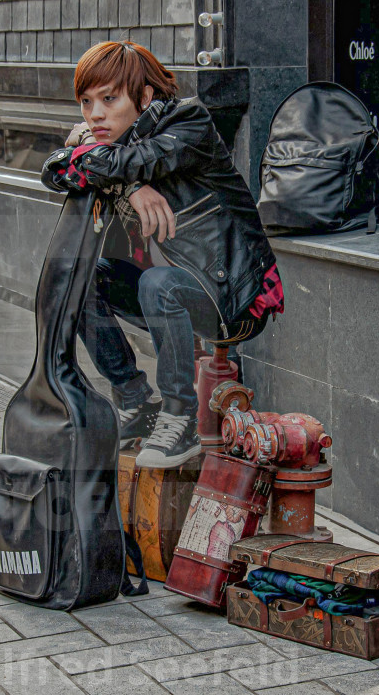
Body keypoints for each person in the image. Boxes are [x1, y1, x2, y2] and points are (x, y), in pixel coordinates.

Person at [41, 41, 283, 469]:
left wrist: (113, 170)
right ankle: (135, 401)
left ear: (145, 97)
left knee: (158, 283)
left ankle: (180, 417)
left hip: (234, 293)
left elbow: (132, 160)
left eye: (109, 99)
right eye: (86, 102)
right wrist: (131, 186)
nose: (95, 114)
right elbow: (54, 170)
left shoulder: (189, 121)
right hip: (170, 288)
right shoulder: (114, 142)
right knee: (80, 279)